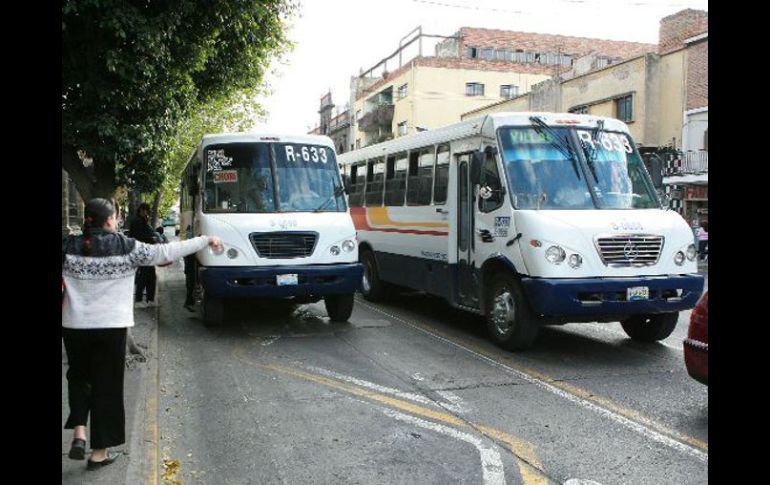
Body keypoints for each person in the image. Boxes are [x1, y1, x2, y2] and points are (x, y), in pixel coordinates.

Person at [62, 198, 223, 469]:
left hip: (74, 326)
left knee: (78, 376)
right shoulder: (128, 248)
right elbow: (168, 252)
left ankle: (79, 432)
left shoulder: (68, 247)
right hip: (111, 327)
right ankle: (98, 452)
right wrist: (206, 240)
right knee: (107, 386)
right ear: (110, 220)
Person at [130, 203, 159, 307]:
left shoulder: (142, 220)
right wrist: (151, 239)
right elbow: (138, 236)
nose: (147, 213)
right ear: (142, 210)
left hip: (146, 251)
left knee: (148, 276)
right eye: (146, 211)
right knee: (145, 276)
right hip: (142, 251)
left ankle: (148, 299)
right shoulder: (138, 221)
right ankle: (141, 299)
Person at [183, 224, 196, 312]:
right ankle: (188, 303)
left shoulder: (187, 242)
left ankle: (189, 302)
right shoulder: (190, 245)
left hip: (189, 267)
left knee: (190, 285)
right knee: (190, 285)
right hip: (190, 268)